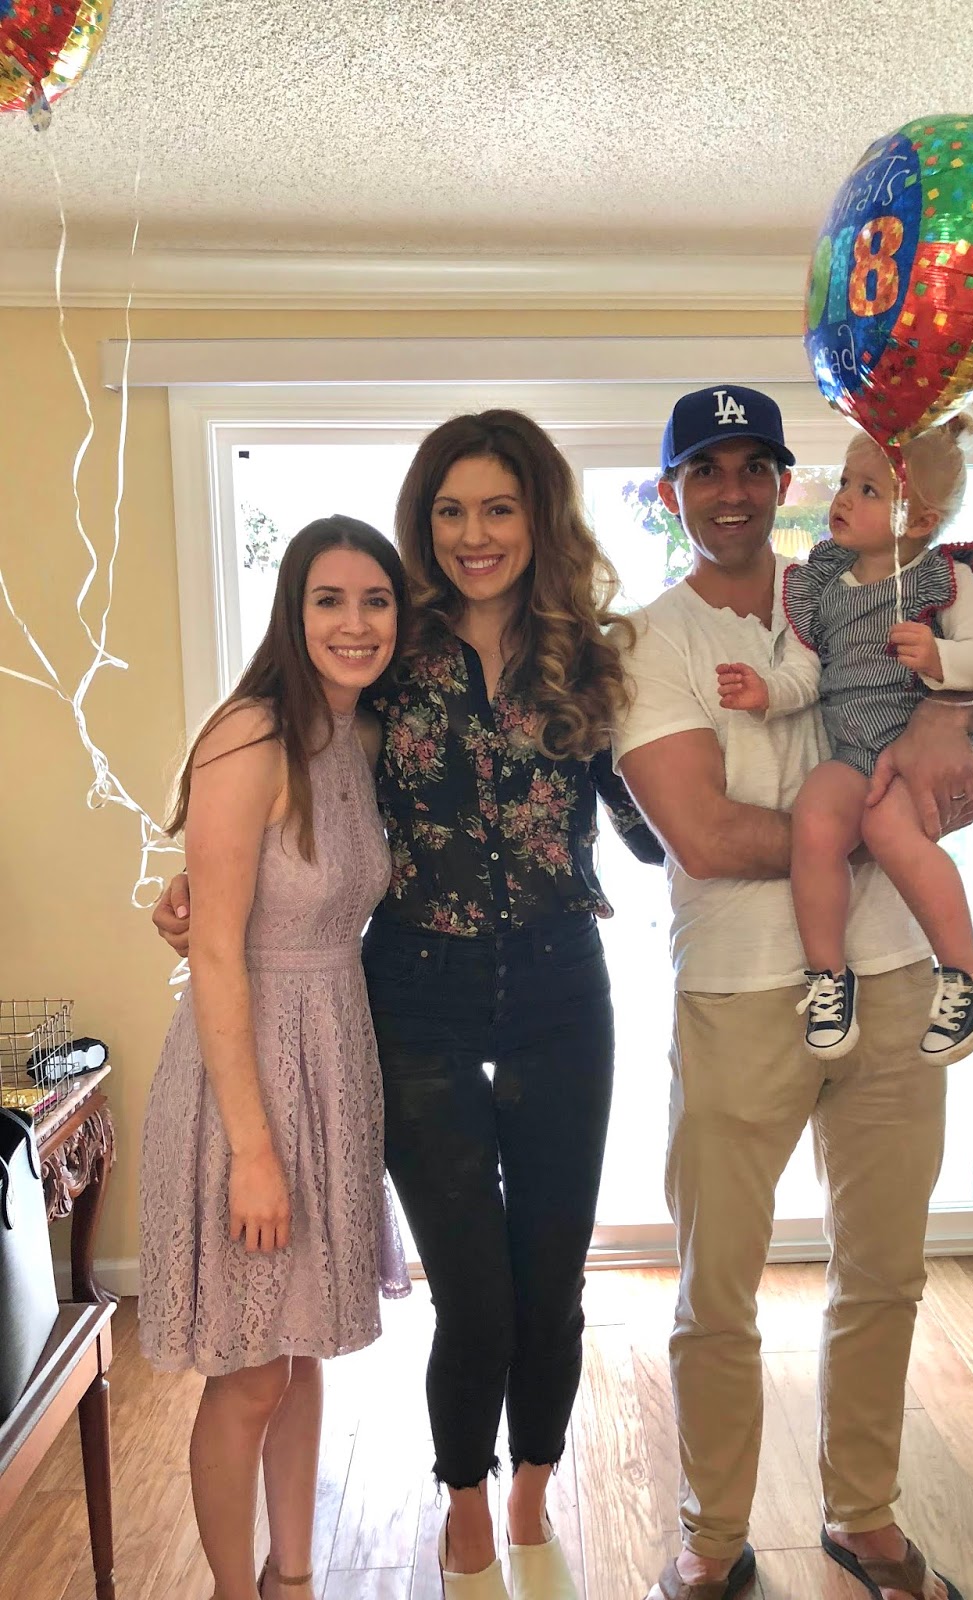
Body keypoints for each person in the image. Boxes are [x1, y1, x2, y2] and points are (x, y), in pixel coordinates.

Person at [154, 412, 664, 1600]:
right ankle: (463, 1503)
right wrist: (193, 894)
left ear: (538, 517)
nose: (475, 533)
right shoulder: (391, 658)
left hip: (560, 991)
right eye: (450, 510)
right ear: (423, 525)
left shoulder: (590, 662)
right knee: (471, 1291)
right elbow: (283, 784)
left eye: (498, 507)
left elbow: (652, 824)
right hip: (412, 998)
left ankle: (532, 1493)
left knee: (552, 1277)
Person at [612, 385, 973, 1600]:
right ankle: (712, 1536)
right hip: (740, 994)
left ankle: (864, 1515)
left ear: (786, 482)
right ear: (673, 492)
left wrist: (951, 717)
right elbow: (704, 834)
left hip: (900, 977)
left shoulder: (859, 576)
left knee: (885, 1272)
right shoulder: (649, 641)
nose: (734, 491)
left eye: (755, 466)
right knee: (717, 1289)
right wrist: (876, 827)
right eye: (707, 470)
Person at [139, 515, 411, 1600]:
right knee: (251, 1372)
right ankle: (230, 1590)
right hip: (243, 1080)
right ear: (292, 613)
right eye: (329, 599)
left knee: (299, 1357)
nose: (355, 622)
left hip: (334, 1056)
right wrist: (253, 1152)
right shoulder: (248, 736)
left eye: (376, 600)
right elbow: (213, 948)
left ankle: (293, 1578)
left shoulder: (362, 736)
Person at [715, 415, 973, 1064]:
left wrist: (940, 657)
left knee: (888, 828)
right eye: (847, 482)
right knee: (816, 818)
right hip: (854, 752)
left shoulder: (944, 580)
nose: (844, 498)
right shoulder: (822, 583)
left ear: (921, 520)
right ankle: (828, 975)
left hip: (924, 749)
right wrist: (767, 693)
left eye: (869, 490)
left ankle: (968, 968)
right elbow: (805, 671)